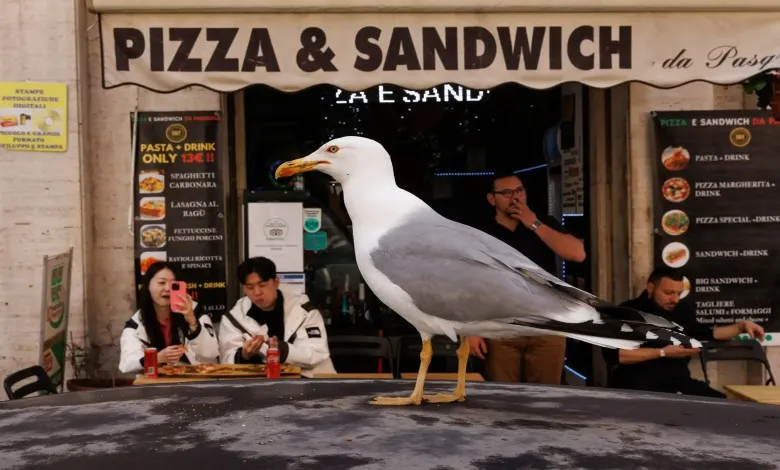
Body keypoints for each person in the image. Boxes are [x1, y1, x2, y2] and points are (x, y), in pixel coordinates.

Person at [468, 172, 586, 384]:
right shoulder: (480, 232)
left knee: (546, 396)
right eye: (506, 193)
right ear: (492, 199)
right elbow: (469, 282)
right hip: (501, 326)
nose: (515, 197)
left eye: (519, 191)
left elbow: (577, 254)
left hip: (547, 323)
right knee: (505, 397)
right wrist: (469, 330)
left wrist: (533, 223)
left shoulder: (542, 222)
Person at [603, 266, 765, 397]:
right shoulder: (628, 312)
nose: (674, 299)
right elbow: (618, 355)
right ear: (651, 288)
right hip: (638, 387)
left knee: (725, 406)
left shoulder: (682, 311)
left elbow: (707, 334)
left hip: (678, 383)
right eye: (668, 293)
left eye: (678, 294)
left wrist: (741, 326)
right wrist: (662, 353)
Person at [219, 256, 336, 377]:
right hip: (257, 388)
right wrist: (244, 355)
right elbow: (226, 361)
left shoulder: (303, 310)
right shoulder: (234, 318)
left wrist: (280, 349)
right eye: (250, 287)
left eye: (262, 285)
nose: (257, 292)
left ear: (276, 282)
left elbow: (316, 354)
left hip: (310, 385)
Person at [119, 261, 219, 373]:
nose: (167, 288)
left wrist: (192, 321)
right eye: (161, 283)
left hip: (193, 380)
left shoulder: (195, 312)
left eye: (173, 284)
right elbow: (127, 364)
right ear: (148, 286)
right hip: (155, 384)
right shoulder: (137, 323)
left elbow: (211, 354)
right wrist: (156, 358)